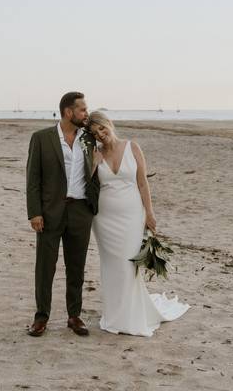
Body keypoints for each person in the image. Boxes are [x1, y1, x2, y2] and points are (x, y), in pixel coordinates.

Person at [88, 110, 189, 336]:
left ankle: (131, 315)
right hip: (104, 220)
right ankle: (114, 314)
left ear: (109, 124)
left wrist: (150, 213)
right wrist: (93, 164)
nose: (101, 135)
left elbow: (143, 183)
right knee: (111, 266)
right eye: (95, 133)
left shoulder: (132, 147)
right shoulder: (95, 154)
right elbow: (85, 184)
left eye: (102, 128)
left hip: (132, 216)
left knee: (128, 265)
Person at [25, 91, 100, 337]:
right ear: (68, 112)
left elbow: (101, 165)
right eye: (82, 110)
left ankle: (74, 316)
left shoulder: (89, 138)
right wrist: (34, 212)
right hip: (49, 212)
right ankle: (41, 317)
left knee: (76, 267)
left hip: (80, 211)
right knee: (45, 266)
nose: (86, 114)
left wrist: (93, 205)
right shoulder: (41, 138)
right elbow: (33, 179)